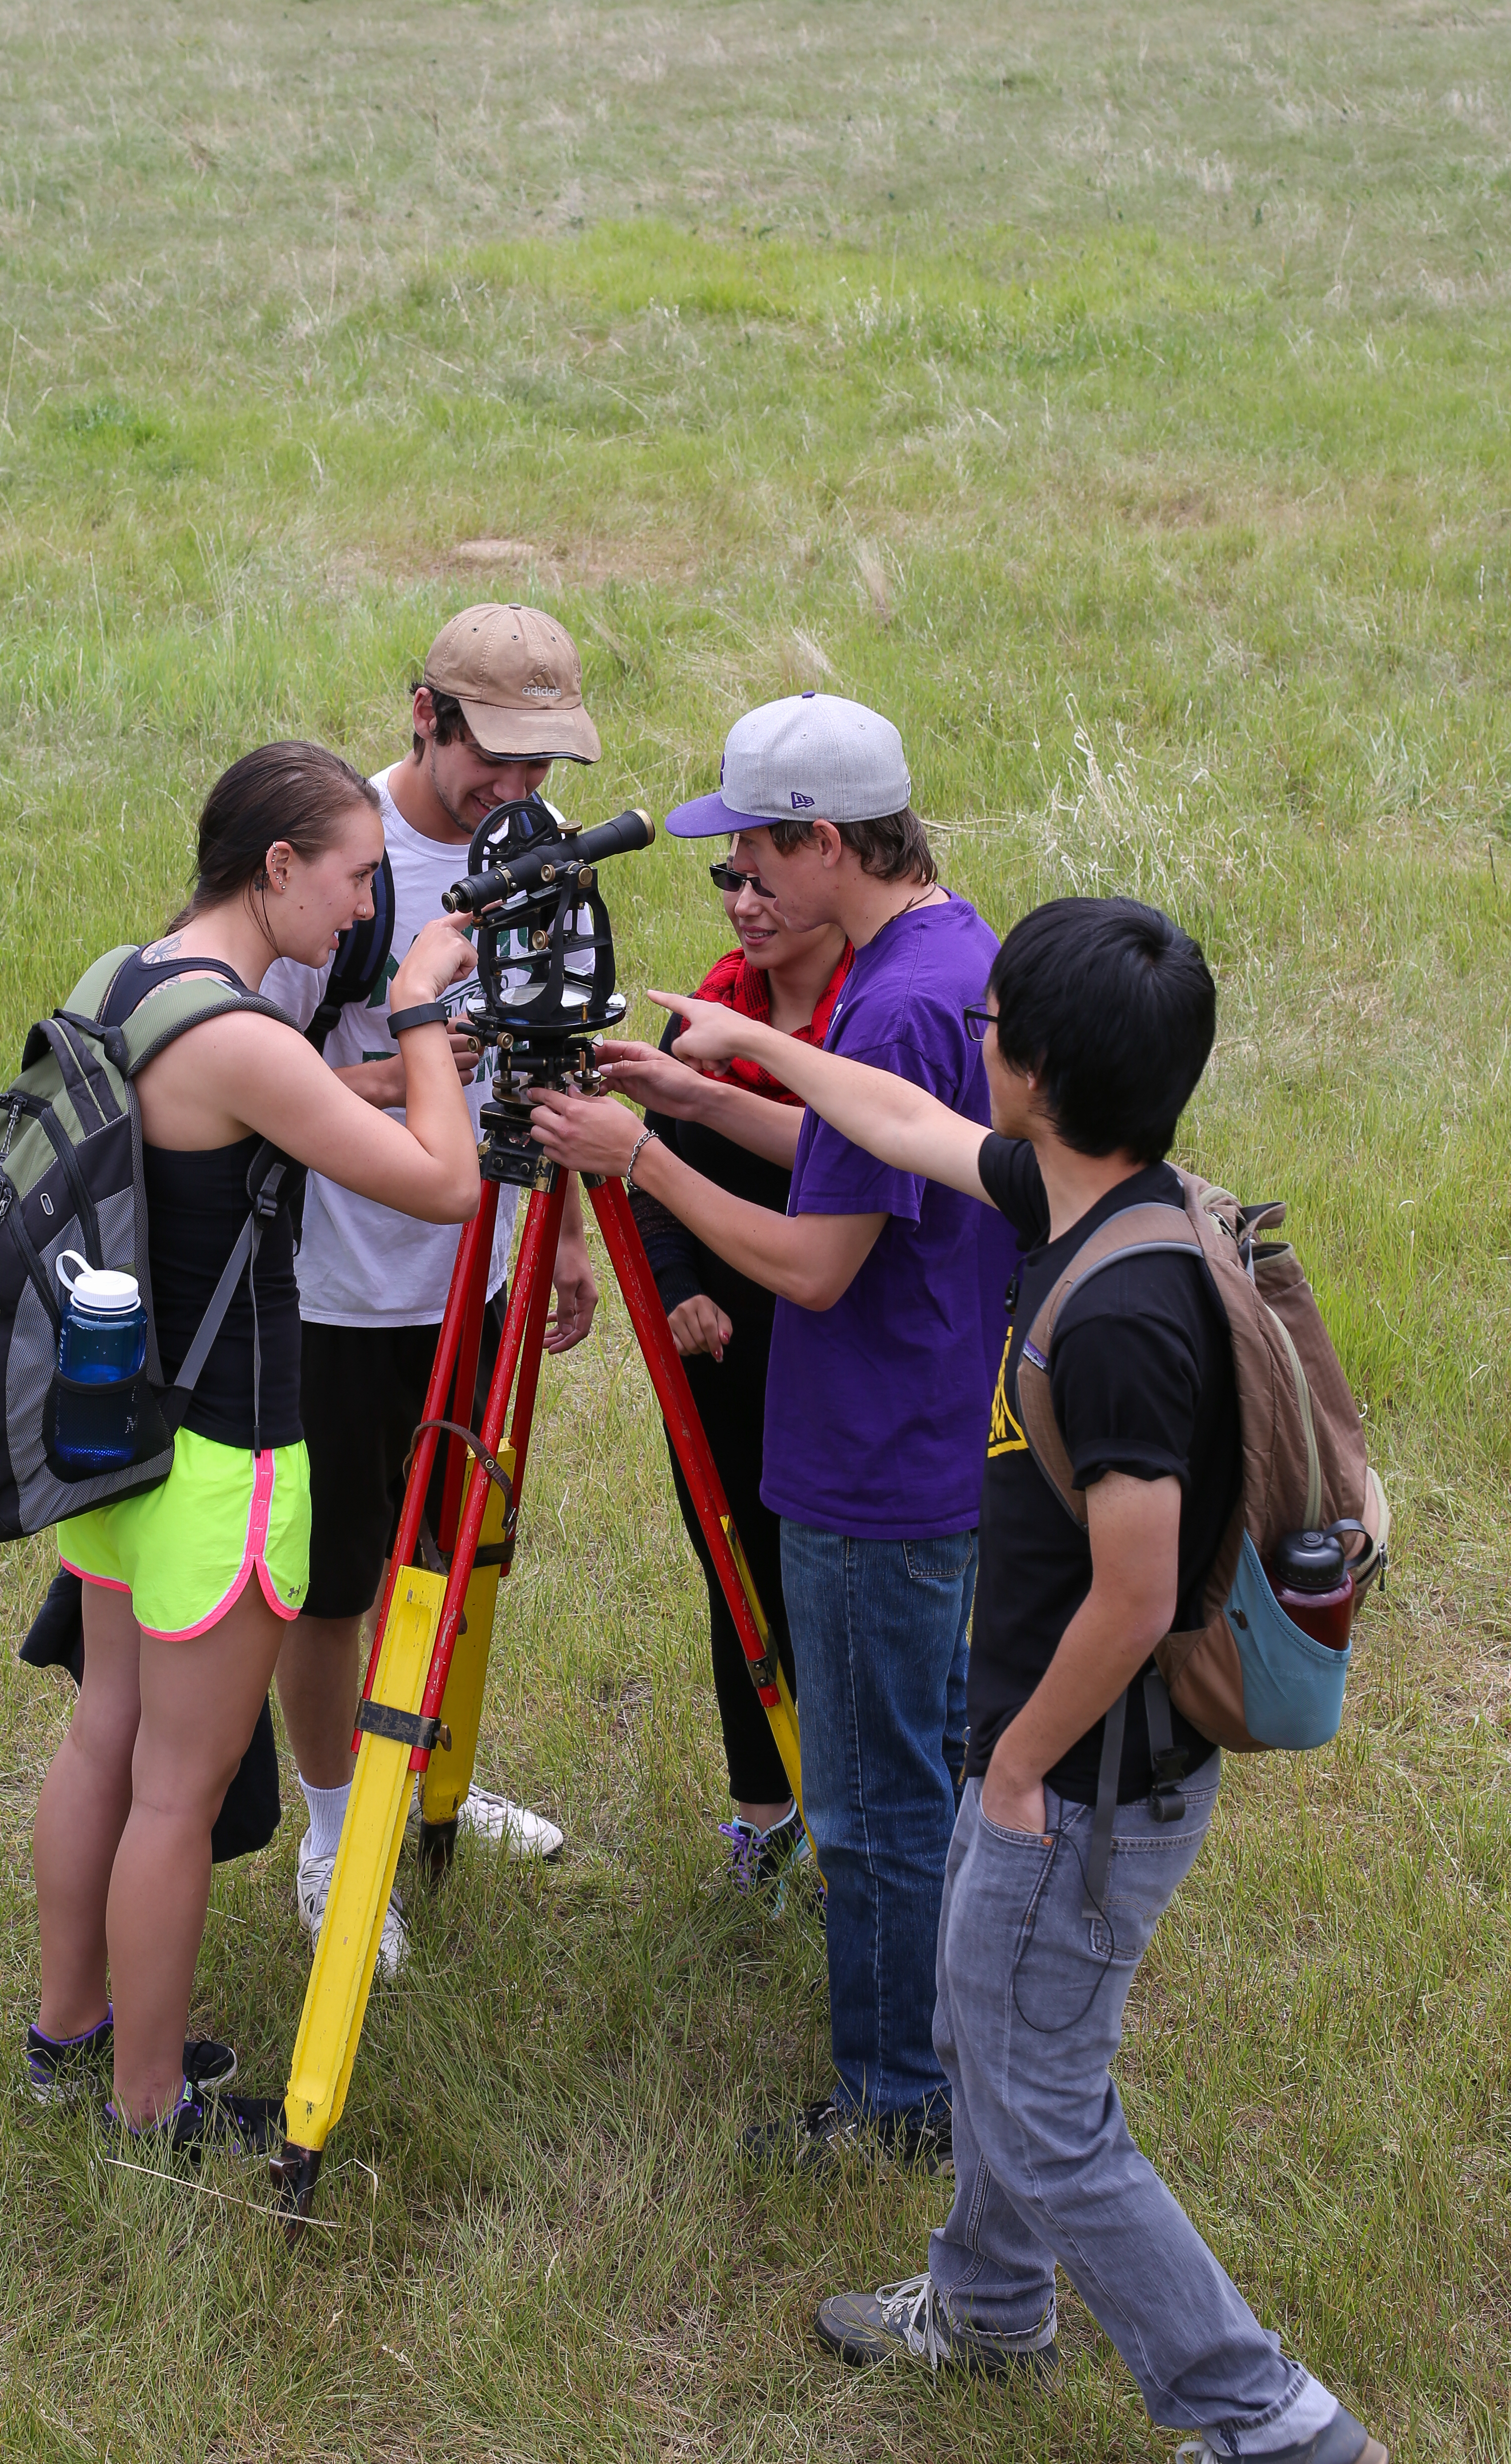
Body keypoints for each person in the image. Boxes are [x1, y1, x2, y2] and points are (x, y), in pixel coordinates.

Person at [636, 896, 1386, 2464]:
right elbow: (902, 1121)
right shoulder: (1099, 1198)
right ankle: (987, 2307)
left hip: (1089, 1775)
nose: (966, 1049)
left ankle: (1271, 2423)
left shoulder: (1115, 1313)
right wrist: (742, 1055)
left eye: (989, 1030)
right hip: (1054, 1753)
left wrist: (1020, 1766)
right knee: (986, 2029)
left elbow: (1128, 1593)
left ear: (1032, 1072)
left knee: (1044, 2101)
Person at [532, 692, 1014, 2170]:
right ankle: (953, 2040)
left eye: (750, 860)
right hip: (925, 1435)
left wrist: (640, 1162)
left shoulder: (896, 999)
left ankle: (890, 2105)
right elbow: (876, 1153)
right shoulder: (943, 950)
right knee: (921, 1770)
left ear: (824, 840)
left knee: (868, 1809)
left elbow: (816, 1264)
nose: (737, 891)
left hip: (873, 1459)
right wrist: (693, 1097)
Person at [32, 741, 481, 2146]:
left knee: (105, 1738)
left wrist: (365, 1058)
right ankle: (150, 2105)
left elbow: (242, 1127)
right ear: (275, 867)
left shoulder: (131, 979)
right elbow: (448, 1186)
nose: (365, 911)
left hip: (113, 1424)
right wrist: (415, 1016)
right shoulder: (249, 1039)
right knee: (176, 1791)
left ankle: (69, 2031)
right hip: (222, 1451)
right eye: (353, 882)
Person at [263, 605, 599, 1972]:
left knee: (451, 1553)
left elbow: (555, 1047)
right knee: (337, 1581)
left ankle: (435, 1782)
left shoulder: (544, 856)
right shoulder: (345, 859)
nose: (515, 791)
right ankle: (340, 1831)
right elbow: (251, 1078)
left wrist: (562, 1239)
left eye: (542, 765)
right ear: (425, 713)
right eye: (494, 758)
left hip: (489, 1273)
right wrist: (412, 1061)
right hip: (345, 1288)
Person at [604, 859, 853, 1890]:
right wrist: (674, 1288)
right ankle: (765, 1810)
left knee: (840, 1577)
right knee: (736, 1568)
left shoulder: (869, 1033)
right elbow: (652, 1168)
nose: (742, 902)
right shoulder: (702, 1019)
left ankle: (860, 1803)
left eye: (764, 880)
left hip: (837, 1338)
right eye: (727, 878)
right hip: (721, 1348)